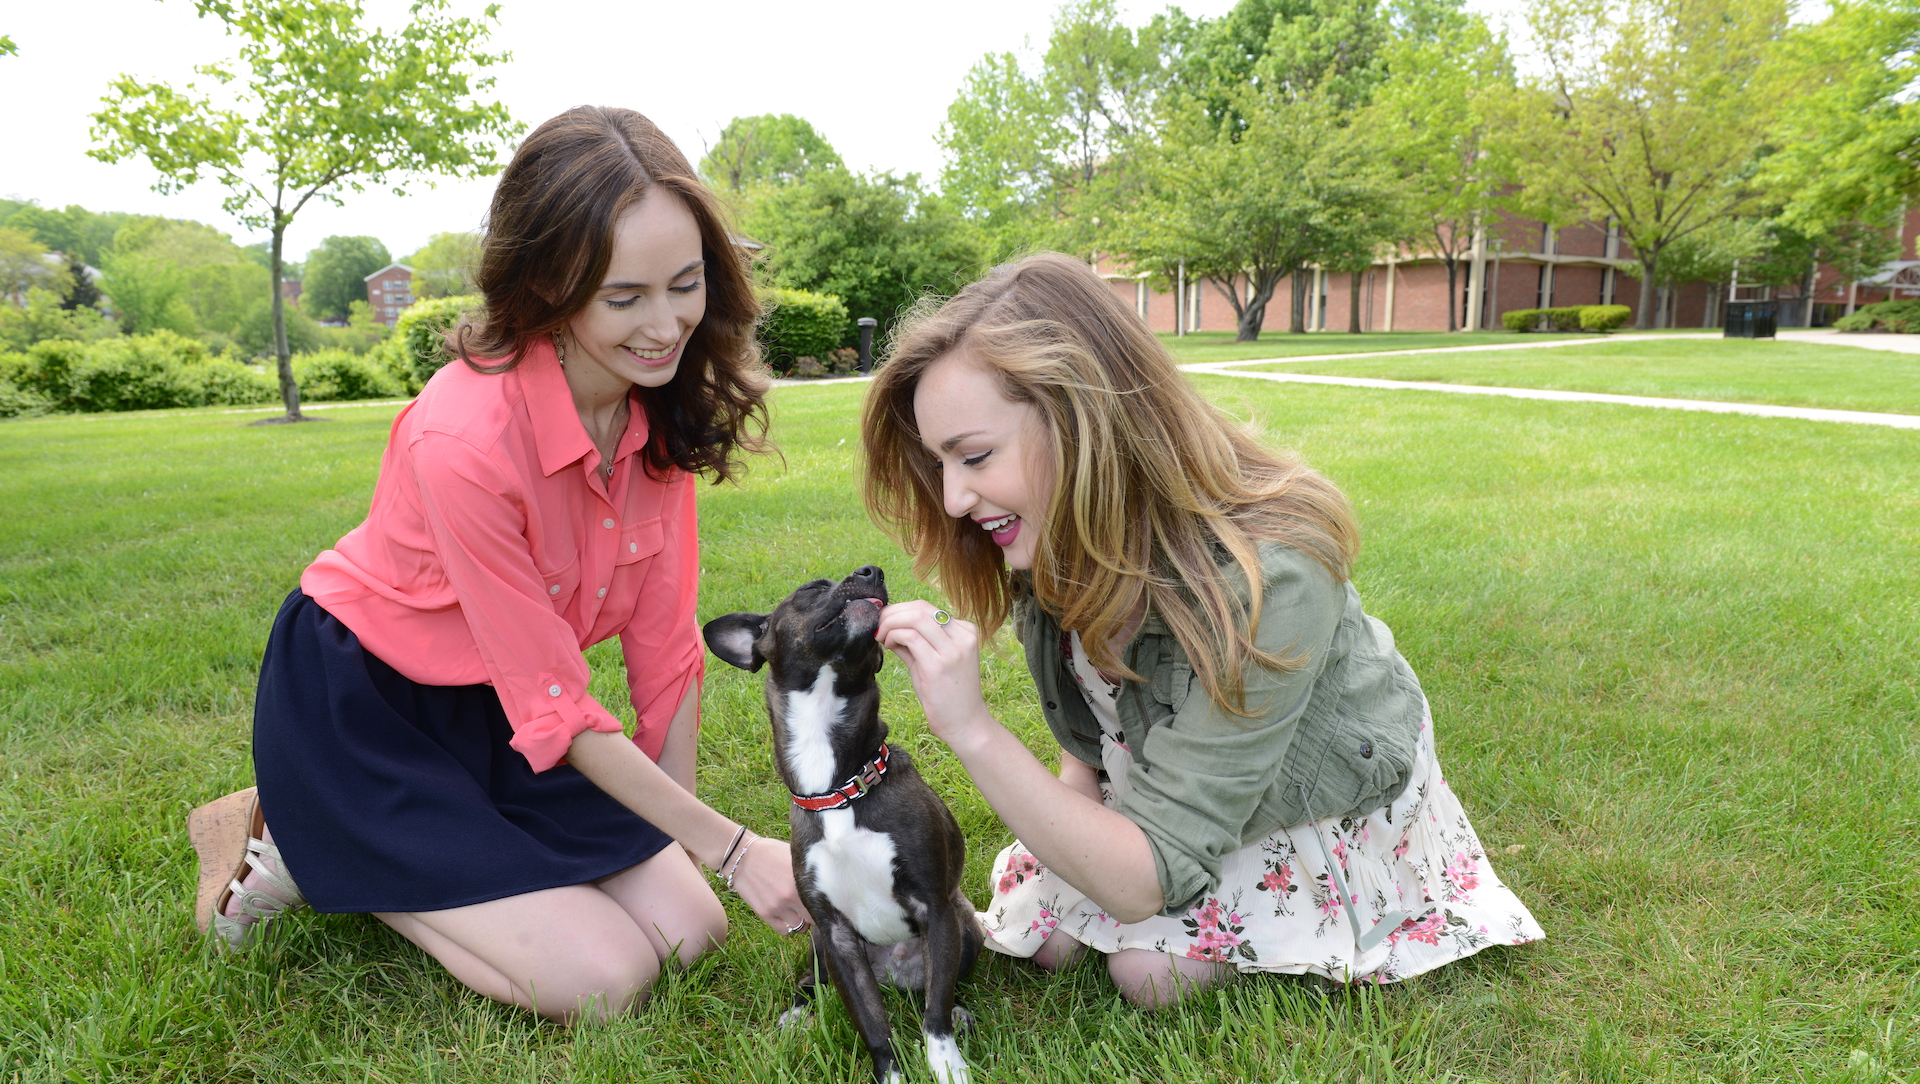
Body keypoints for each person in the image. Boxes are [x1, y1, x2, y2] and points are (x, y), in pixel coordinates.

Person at [187, 107, 811, 1023]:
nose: (668, 324)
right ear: (549, 288)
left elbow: (666, 651)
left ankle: (382, 842)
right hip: (363, 708)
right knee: (604, 979)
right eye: (623, 297)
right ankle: (299, 836)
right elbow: (558, 705)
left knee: (690, 929)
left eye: (686, 284)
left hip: (491, 705)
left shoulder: (656, 409)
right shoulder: (463, 437)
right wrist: (731, 848)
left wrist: (682, 836)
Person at [865, 254, 1544, 1009]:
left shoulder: (1275, 573)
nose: (955, 497)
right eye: (941, 464)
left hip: (1314, 800)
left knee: (1151, 975)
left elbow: (1145, 877)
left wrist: (973, 730)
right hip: (1162, 774)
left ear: (1084, 417)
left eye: (976, 456)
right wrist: (1063, 873)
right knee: (1047, 936)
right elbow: (1084, 737)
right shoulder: (1049, 533)